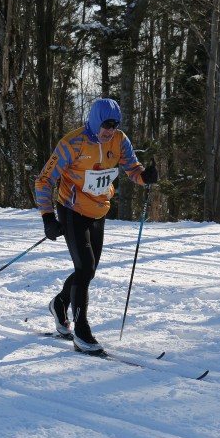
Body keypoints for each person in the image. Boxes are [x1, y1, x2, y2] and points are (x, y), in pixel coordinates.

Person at [35, 98, 158, 354]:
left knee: (87, 272)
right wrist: (48, 217)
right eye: (106, 124)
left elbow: (131, 168)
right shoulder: (73, 143)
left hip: (99, 211)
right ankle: (82, 331)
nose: (110, 130)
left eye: (114, 125)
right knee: (85, 268)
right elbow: (44, 180)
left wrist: (144, 176)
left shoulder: (119, 140)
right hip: (72, 210)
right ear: (94, 121)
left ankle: (59, 304)